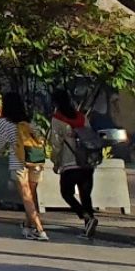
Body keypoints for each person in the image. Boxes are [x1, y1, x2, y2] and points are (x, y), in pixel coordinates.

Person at [0, 91, 49, 241]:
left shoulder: (4, 123)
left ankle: (39, 229)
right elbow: (40, 138)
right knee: (32, 196)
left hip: (19, 163)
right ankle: (28, 226)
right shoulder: (28, 121)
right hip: (35, 162)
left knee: (26, 197)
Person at [51, 89, 101, 238]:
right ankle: (89, 226)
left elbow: (56, 144)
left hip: (70, 164)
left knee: (66, 193)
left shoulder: (57, 119)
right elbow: (91, 138)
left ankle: (86, 216)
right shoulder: (82, 117)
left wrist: (55, 162)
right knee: (86, 196)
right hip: (86, 164)